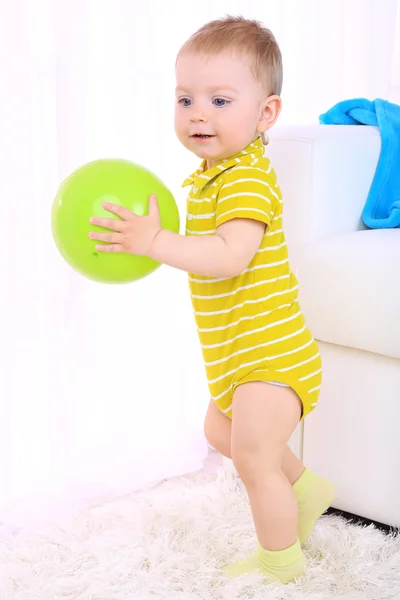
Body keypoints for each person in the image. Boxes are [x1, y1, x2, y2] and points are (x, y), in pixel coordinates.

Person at [88, 15, 335, 584]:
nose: (198, 113)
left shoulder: (246, 179)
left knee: (251, 457)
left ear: (265, 113)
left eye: (220, 100)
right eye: (185, 98)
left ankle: (280, 566)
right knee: (219, 432)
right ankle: (303, 486)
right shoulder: (209, 176)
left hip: (272, 351)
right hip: (237, 350)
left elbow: (229, 255)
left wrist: (154, 242)